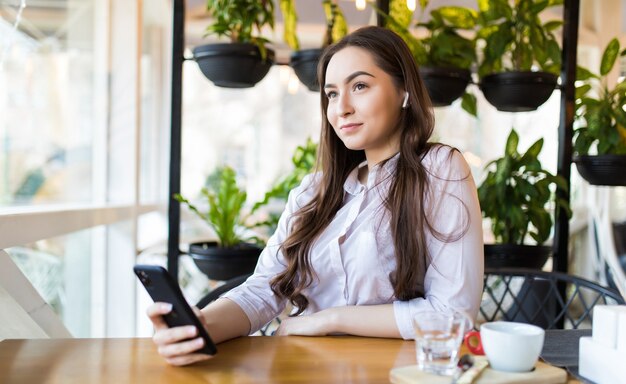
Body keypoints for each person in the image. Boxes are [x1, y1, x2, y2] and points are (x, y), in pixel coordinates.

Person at [147, 26, 484, 366]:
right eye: (332, 94)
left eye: (360, 86)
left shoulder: (439, 169)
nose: (342, 108)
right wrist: (201, 326)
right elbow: (265, 289)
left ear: (404, 92)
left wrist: (330, 319)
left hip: (397, 379)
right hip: (306, 377)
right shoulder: (313, 191)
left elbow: (452, 313)